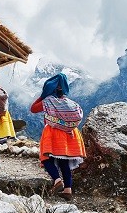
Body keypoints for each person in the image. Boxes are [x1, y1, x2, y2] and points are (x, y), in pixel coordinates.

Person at [30, 73, 86, 201]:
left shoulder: (48, 101)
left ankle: (57, 180)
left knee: (45, 158)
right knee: (64, 161)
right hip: (70, 134)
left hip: (53, 132)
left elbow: (33, 108)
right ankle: (68, 190)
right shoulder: (71, 104)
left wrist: (43, 95)